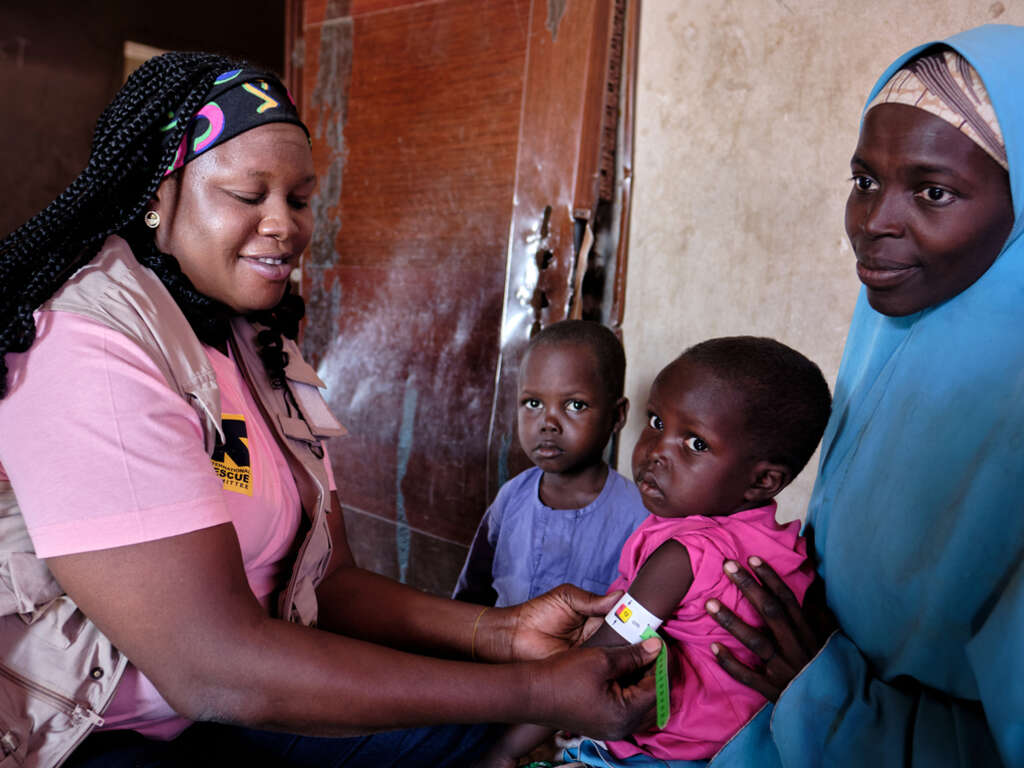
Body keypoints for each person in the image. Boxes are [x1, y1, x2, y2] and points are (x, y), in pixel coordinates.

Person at [0, 53, 662, 768]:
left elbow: (327, 580)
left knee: (477, 736)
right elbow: (212, 669)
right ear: (160, 195)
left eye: (300, 198)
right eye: (249, 195)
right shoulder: (93, 347)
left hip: (240, 688)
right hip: (97, 733)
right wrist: (534, 691)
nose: (284, 225)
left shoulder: (258, 343)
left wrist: (500, 636)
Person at [700, 24, 1024, 768]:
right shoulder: (893, 342)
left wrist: (834, 694)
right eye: (865, 180)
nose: (872, 223)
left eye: (932, 191)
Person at [477, 336, 831, 767]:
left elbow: (597, 660)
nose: (656, 452)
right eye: (657, 422)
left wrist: (505, 749)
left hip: (658, 754)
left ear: (762, 482)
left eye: (696, 444)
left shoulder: (681, 556)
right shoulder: (785, 548)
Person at [453, 320, 648, 608]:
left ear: (617, 416)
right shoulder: (511, 498)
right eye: (533, 404)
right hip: (495, 651)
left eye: (575, 405)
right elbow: (472, 595)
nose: (548, 423)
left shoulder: (639, 518)